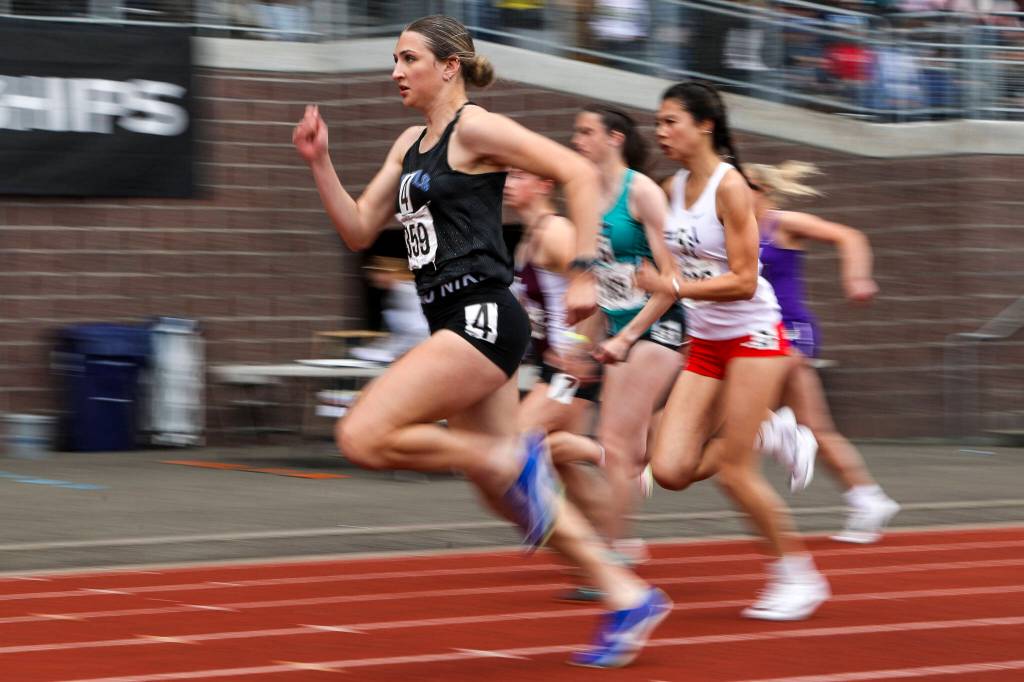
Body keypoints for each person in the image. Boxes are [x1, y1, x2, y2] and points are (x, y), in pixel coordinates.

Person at [292, 15, 669, 667]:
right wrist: (320, 161)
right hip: (451, 322)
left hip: (483, 315)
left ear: (449, 66)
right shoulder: (409, 142)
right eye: (393, 58)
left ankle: (508, 459)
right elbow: (358, 229)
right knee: (506, 496)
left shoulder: (477, 128)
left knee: (361, 435)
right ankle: (627, 592)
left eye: (408, 58)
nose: (395, 71)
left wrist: (583, 268)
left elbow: (576, 175)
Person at [637, 80, 829, 621]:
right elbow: (676, 267)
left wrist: (671, 288)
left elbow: (745, 282)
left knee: (735, 472)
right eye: (657, 123)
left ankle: (798, 575)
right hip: (707, 341)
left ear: (705, 125)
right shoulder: (671, 187)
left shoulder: (731, 188)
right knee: (670, 468)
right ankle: (775, 429)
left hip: (755, 336)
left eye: (670, 120)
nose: (661, 131)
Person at [548, 106, 686, 583]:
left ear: (615, 138)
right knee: (628, 446)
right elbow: (601, 287)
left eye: (585, 131)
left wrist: (628, 335)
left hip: (658, 327)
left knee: (614, 443)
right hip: (619, 330)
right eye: (575, 132)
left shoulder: (642, 192)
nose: (576, 139)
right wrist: (574, 344)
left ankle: (613, 555)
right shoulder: (586, 200)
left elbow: (672, 281)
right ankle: (615, 548)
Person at [746, 161, 900, 544]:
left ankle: (775, 428)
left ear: (762, 189)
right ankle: (868, 498)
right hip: (755, 335)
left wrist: (857, 278)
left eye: (741, 186)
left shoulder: (783, 223)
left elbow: (849, 237)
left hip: (791, 331)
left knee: (741, 407)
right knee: (816, 427)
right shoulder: (731, 232)